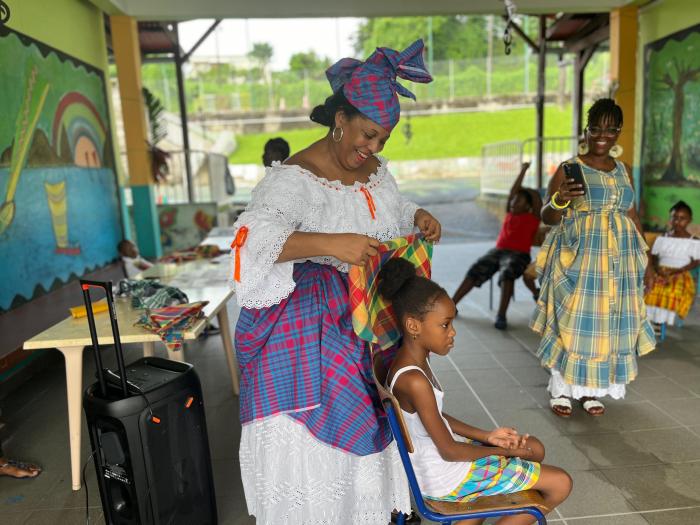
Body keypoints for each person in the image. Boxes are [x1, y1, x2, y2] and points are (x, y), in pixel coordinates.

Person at [231, 40, 441, 524]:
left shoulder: (375, 173)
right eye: (366, 135)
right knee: (320, 439)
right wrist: (330, 243)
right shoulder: (294, 178)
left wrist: (417, 216)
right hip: (307, 328)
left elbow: (389, 212)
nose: (370, 149)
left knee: (374, 418)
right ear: (339, 120)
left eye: (381, 140)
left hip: (364, 315)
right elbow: (250, 243)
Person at [378, 258, 572, 523]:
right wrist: (504, 452)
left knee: (534, 449)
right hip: (446, 476)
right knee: (561, 482)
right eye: (445, 325)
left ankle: (477, 511)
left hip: (443, 464)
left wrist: (488, 436)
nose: (453, 333)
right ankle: (483, 503)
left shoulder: (410, 363)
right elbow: (449, 451)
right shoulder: (414, 379)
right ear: (414, 326)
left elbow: (436, 417)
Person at [532, 98, 655, 418]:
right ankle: (561, 388)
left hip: (620, 262)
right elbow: (546, 216)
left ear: (618, 133)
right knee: (575, 324)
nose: (603, 135)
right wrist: (560, 200)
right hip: (581, 259)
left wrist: (649, 263)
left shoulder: (624, 170)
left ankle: (590, 390)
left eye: (611, 130)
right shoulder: (569, 167)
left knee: (607, 327)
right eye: (596, 129)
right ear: (585, 131)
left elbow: (632, 214)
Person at [452, 162, 541, 329]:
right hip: (498, 251)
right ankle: (451, 305)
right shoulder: (510, 212)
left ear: (528, 206)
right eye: (514, 200)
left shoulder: (533, 217)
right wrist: (522, 170)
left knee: (507, 272)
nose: (514, 202)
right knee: (476, 268)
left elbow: (536, 200)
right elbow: (512, 192)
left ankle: (501, 315)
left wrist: (528, 190)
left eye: (519, 201)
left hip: (519, 255)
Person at [645, 200, 700, 330]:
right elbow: (654, 257)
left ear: (689, 220)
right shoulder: (663, 238)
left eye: (682, 218)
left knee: (670, 289)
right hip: (661, 271)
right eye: (674, 217)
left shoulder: (694, 241)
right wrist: (658, 269)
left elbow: (696, 262)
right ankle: (648, 319)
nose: (677, 221)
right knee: (649, 286)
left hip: (681, 273)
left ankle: (660, 320)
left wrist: (675, 272)